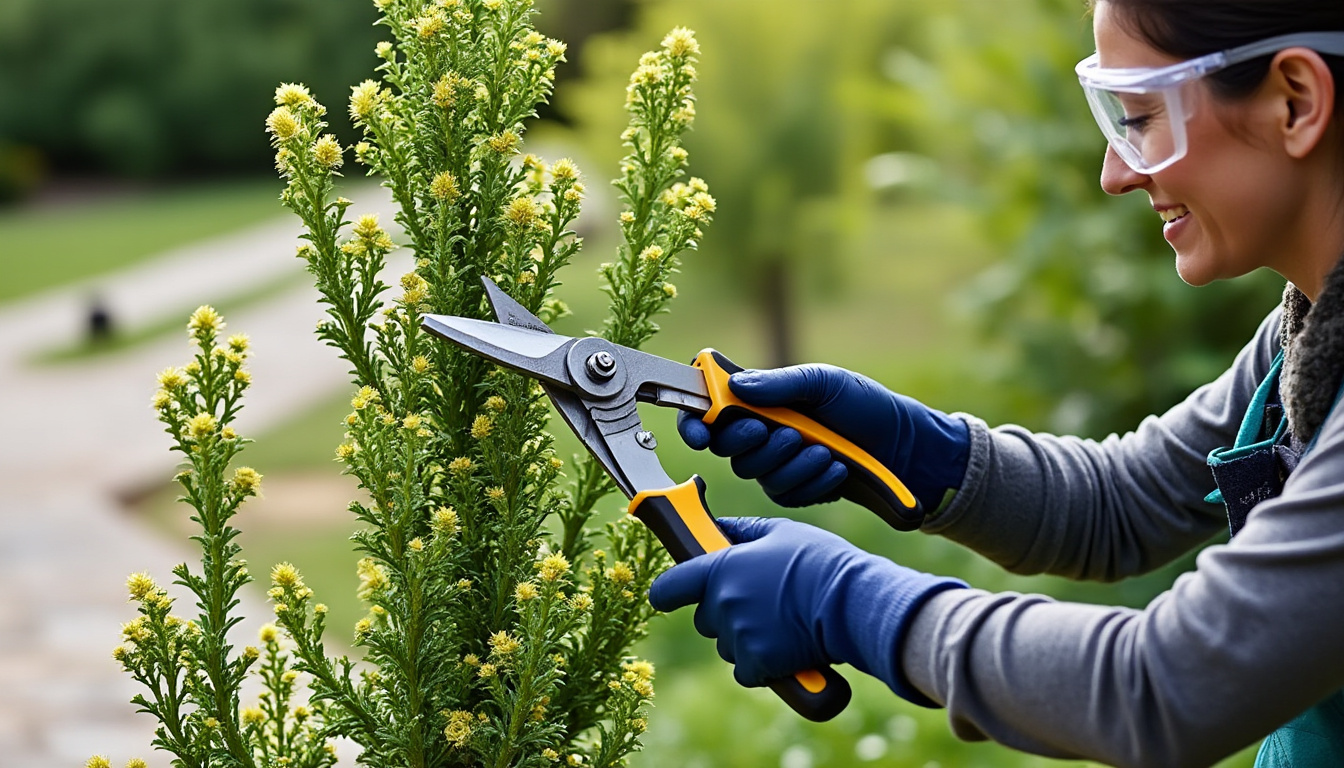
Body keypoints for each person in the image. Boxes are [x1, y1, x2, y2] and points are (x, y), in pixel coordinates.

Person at [649, 2, 1344, 766]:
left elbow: (1167, 684)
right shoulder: (1307, 340)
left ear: (1295, 102)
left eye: (1142, 116)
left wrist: (853, 603)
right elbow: (1124, 504)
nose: (1116, 174)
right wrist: (914, 449)